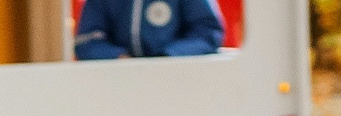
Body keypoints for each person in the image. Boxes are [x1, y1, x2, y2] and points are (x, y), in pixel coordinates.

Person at [73, 0, 226, 58]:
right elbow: (87, 41)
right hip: (118, 84)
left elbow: (208, 32)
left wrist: (170, 55)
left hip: (179, 81)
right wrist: (118, 57)